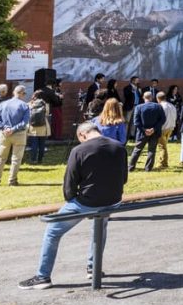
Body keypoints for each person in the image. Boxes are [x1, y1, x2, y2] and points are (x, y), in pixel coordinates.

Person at [18, 121, 127, 289]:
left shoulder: (79, 150)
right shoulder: (119, 146)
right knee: (101, 226)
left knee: (52, 232)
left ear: (82, 135)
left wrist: (72, 200)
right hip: (113, 200)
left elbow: (69, 182)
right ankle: (93, 266)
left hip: (87, 201)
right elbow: (124, 177)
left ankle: (43, 276)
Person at [0, 85, 32, 187]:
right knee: (16, 159)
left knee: (1, 158)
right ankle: (12, 180)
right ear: (22, 94)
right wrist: (13, 129)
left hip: (4, 134)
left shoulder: (3, 104)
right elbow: (25, 122)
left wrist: (5, 128)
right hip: (19, 134)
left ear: (14, 92)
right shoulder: (24, 105)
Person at [129, 91, 165, 172]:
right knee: (151, 150)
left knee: (137, 150)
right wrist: (154, 129)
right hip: (154, 132)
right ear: (151, 98)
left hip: (142, 133)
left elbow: (136, 122)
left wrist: (144, 130)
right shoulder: (158, 106)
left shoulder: (139, 107)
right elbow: (163, 119)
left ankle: (130, 167)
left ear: (143, 98)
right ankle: (148, 168)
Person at [26, 91, 51, 163]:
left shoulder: (30, 104)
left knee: (34, 144)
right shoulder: (45, 104)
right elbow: (47, 114)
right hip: (43, 126)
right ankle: (40, 160)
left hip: (32, 127)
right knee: (42, 145)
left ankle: (33, 159)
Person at [156, 92, 177, 169]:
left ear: (158, 98)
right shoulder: (171, 105)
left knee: (162, 147)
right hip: (171, 128)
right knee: (164, 146)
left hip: (163, 128)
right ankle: (164, 162)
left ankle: (162, 164)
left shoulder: (160, 106)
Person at [123, 76, 142, 140]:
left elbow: (140, 97)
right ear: (132, 81)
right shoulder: (127, 88)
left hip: (137, 106)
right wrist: (132, 91)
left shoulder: (138, 88)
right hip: (130, 106)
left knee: (134, 121)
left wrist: (139, 92)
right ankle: (125, 135)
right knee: (127, 121)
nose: (138, 81)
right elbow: (126, 96)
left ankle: (132, 135)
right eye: (137, 80)